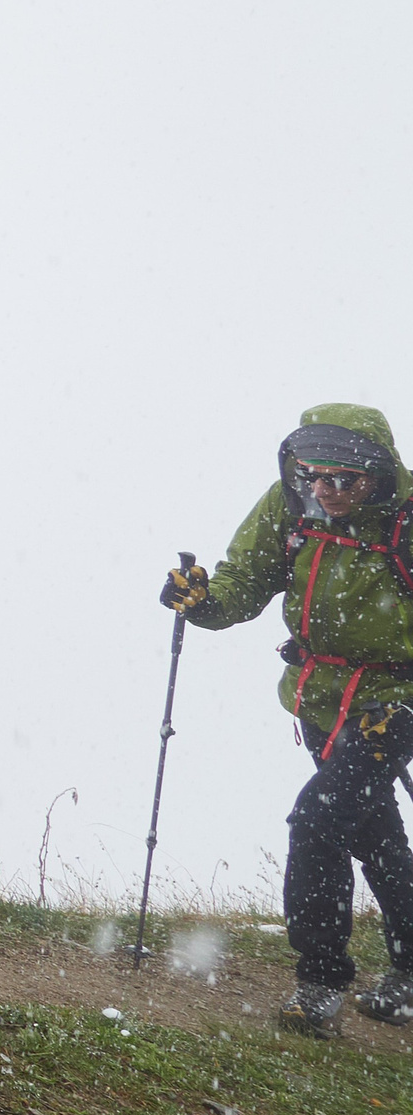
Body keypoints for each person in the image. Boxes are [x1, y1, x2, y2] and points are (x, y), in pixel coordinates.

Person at [162, 405, 413, 1036]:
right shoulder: (291, 507)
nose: (328, 490)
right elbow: (245, 581)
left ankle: (321, 981)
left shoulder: (407, 521)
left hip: (396, 702)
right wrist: (202, 601)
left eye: (346, 479)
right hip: (320, 699)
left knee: (319, 818)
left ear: (378, 474)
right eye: (315, 476)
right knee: (373, 835)